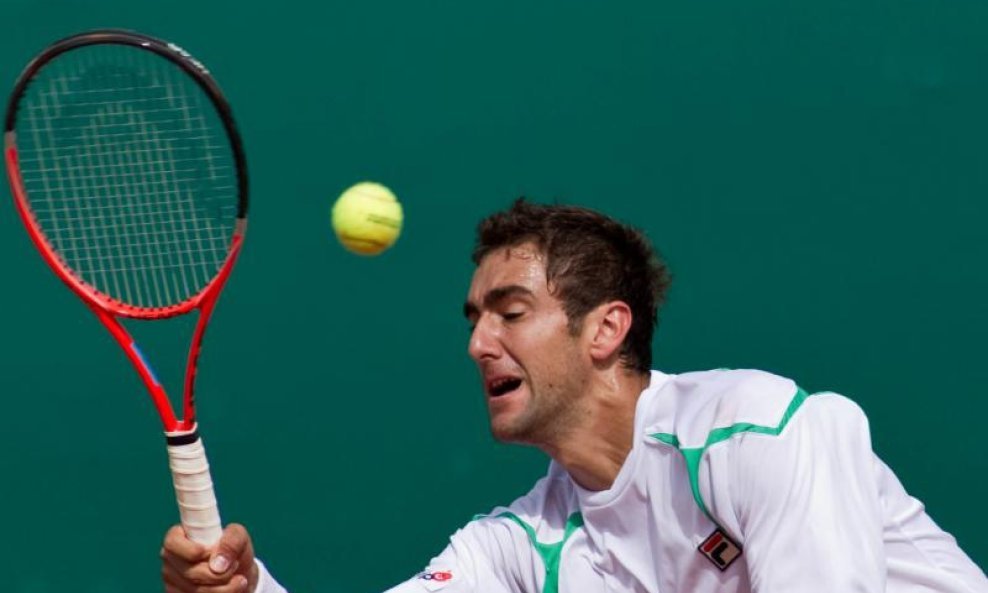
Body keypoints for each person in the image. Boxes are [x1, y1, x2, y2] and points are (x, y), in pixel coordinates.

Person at [161, 199, 987, 593]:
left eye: (511, 313)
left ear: (606, 330)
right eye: (475, 318)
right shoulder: (519, 544)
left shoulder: (762, 434)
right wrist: (244, 588)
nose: (479, 343)